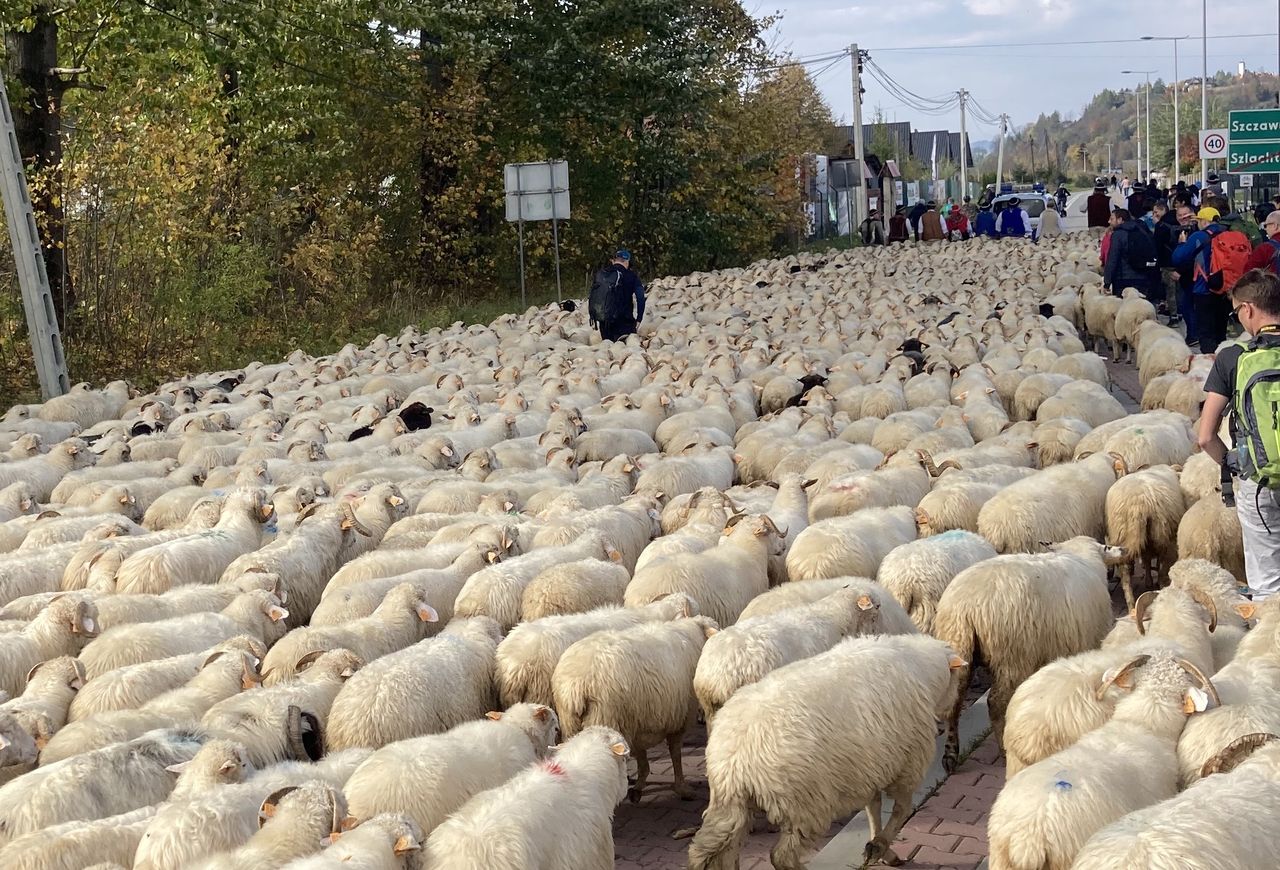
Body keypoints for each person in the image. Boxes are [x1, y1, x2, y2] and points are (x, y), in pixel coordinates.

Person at [1197, 269, 1280, 600]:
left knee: (1267, 579)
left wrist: (1235, 467)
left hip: (1258, 482)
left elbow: (1205, 435)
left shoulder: (1233, 357)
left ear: (1248, 309)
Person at [1172, 207, 1234, 351]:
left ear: (1205, 221)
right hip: (1225, 289)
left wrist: (1182, 243)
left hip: (1204, 289)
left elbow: (1177, 258)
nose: (1197, 224)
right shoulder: (1229, 234)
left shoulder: (1199, 236)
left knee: (1206, 333)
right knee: (1220, 332)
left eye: (1199, 220)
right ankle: (1222, 360)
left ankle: (1211, 364)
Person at [588, 249, 646, 342]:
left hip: (605, 324)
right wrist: (639, 319)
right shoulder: (631, 276)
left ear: (614, 260)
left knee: (609, 352)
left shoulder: (602, 274)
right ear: (627, 261)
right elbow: (640, 298)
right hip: (624, 323)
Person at [1104, 208, 1156, 299]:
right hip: (1143, 278)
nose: (1109, 221)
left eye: (1112, 219)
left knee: (1126, 310)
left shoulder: (1118, 235)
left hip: (1124, 280)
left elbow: (1113, 258)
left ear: (1120, 220)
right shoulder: (1142, 230)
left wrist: (1107, 282)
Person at [1244, 209, 1280, 275]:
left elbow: (1248, 275)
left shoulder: (1265, 249)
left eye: (1266, 226)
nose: (1265, 229)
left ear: (1275, 226)